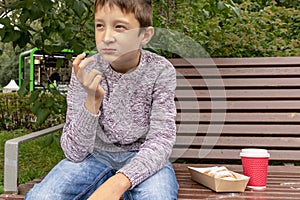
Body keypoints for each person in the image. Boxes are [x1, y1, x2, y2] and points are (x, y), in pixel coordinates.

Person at [25, 0, 178, 199]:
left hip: (143, 156)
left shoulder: (160, 70)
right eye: (100, 25)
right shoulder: (86, 70)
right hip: (94, 157)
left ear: (145, 35)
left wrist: (118, 183)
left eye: (120, 27)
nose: (106, 37)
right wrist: (92, 100)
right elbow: (74, 152)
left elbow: (161, 139)